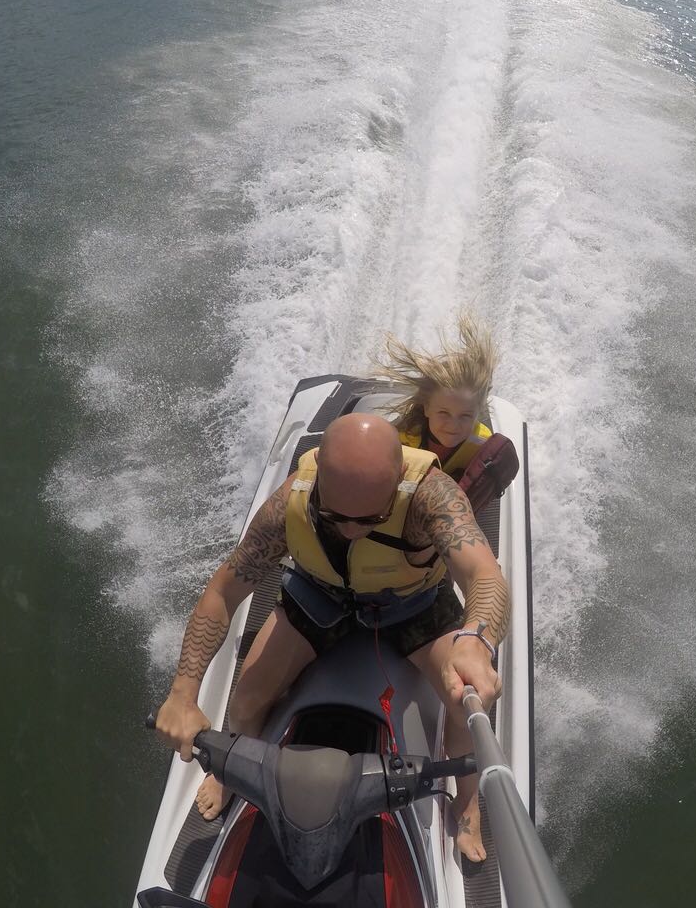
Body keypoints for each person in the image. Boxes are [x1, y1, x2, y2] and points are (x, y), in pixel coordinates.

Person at [154, 413, 509, 863]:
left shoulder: (432, 495)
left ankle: (467, 799)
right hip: (321, 596)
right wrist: (183, 694)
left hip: (410, 604)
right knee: (246, 700)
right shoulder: (290, 504)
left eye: (372, 518)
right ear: (319, 470)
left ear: (400, 476)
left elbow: (484, 575)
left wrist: (476, 640)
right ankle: (232, 771)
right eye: (335, 516)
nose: (351, 530)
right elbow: (223, 592)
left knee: (465, 696)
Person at [376, 311, 498, 482]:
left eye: (466, 416)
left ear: (478, 412)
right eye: (444, 413)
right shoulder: (402, 438)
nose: (453, 425)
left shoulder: (483, 446)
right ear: (427, 407)